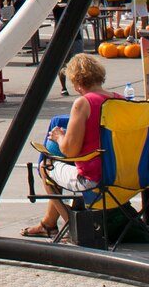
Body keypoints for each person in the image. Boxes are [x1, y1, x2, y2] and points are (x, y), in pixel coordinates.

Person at [23, 53, 111, 238]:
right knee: (63, 166)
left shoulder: (83, 103)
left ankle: (74, 228)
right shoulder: (119, 99)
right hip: (123, 175)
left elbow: (69, 150)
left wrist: (59, 136)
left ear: (77, 81)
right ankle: (49, 223)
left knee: (46, 166)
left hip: (94, 177)